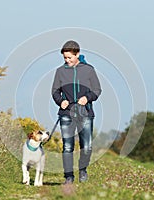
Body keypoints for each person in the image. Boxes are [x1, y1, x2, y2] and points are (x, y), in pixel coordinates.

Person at [51, 40, 102, 184]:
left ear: (77, 54)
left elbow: (97, 90)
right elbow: (55, 91)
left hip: (85, 113)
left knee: (86, 146)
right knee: (67, 146)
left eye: (70, 57)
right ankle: (68, 177)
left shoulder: (89, 70)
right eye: (65, 58)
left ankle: (82, 170)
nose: (67, 61)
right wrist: (61, 101)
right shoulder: (60, 71)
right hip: (66, 114)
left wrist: (87, 98)